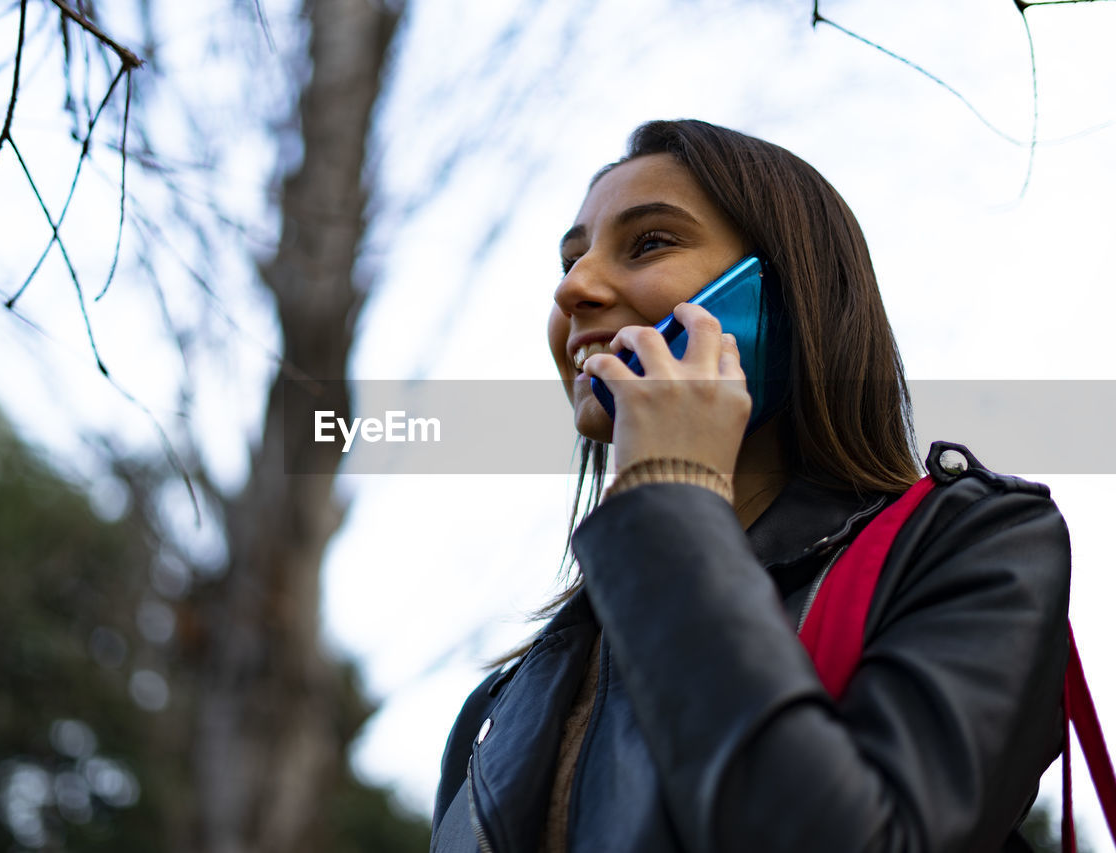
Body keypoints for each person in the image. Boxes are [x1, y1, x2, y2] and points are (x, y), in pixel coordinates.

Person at [429, 120, 1071, 852]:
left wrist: (668, 497)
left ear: (779, 299)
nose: (573, 287)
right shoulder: (499, 705)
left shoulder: (976, 545)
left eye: (648, 243)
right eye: (571, 259)